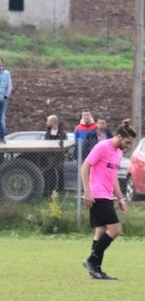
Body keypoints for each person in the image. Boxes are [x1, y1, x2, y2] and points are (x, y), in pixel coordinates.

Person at [80, 119, 136, 280]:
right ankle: (92, 261)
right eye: (127, 142)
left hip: (107, 195)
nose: (128, 146)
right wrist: (87, 191)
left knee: (101, 230)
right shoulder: (102, 147)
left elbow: (113, 178)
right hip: (97, 194)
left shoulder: (118, 153)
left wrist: (120, 198)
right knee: (115, 229)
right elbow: (85, 166)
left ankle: (96, 268)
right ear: (119, 136)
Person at [43, 114, 67, 194]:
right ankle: (48, 191)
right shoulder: (48, 132)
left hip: (59, 157)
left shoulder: (62, 133)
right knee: (49, 174)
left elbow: (64, 145)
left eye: (48, 121)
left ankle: (60, 191)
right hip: (49, 157)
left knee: (60, 174)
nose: (46, 123)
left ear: (52, 122)